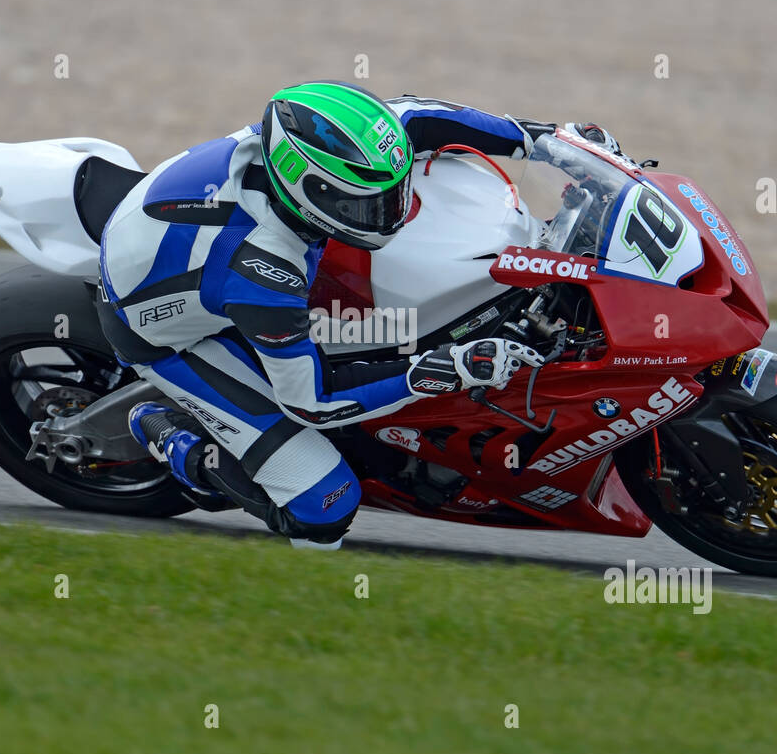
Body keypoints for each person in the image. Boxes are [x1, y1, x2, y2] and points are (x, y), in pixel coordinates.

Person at [96, 80, 622, 549]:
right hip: (173, 341)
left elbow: (422, 117)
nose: (392, 210)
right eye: (370, 204)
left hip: (180, 248)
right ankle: (171, 435)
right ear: (311, 192)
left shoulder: (336, 143)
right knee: (325, 506)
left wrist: (547, 141)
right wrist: (449, 367)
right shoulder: (264, 269)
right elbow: (312, 402)